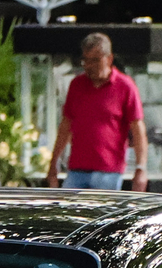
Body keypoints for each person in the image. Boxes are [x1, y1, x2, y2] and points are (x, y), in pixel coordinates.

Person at [46, 32, 149, 192]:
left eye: (95, 60)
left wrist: (140, 168)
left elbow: (137, 129)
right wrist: (53, 163)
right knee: (69, 212)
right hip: (76, 170)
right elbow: (66, 125)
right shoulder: (77, 85)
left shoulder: (125, 86)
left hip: (108, 172)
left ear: (109, 59)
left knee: (104, 215)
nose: (89, 66)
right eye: (85, 60)